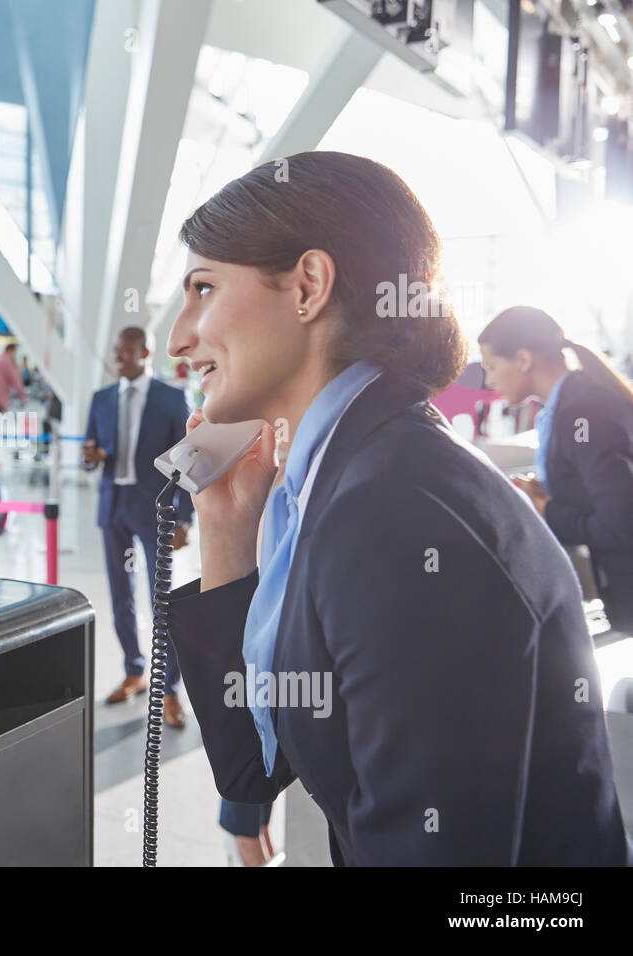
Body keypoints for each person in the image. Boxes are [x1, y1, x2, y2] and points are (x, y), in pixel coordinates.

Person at [165, 150, 629, 864]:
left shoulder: (391, 511)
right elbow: (256, 766)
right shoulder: (336, 484)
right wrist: (227, 531)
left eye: (203, 288)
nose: (178, 337)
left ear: (308, 287)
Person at [478, 306, 633, 634]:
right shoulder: (576, 404)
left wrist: (547, 510)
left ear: (523, 359)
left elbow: (623, 525)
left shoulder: (582, 415)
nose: (489, 381)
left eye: (492, 367)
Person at [83, 326, 193, 727]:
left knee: (162, 601)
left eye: (126, 352)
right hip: (114, 507)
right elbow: (90, 453)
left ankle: (170, 690)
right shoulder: (101, 398)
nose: (118, 358)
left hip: (156, 508)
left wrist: (184, 517)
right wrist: (91, 456)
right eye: (115, 351)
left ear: (144, 352)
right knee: (120, 595)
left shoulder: (170, 397)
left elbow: (187, 459)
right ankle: (134, 669)